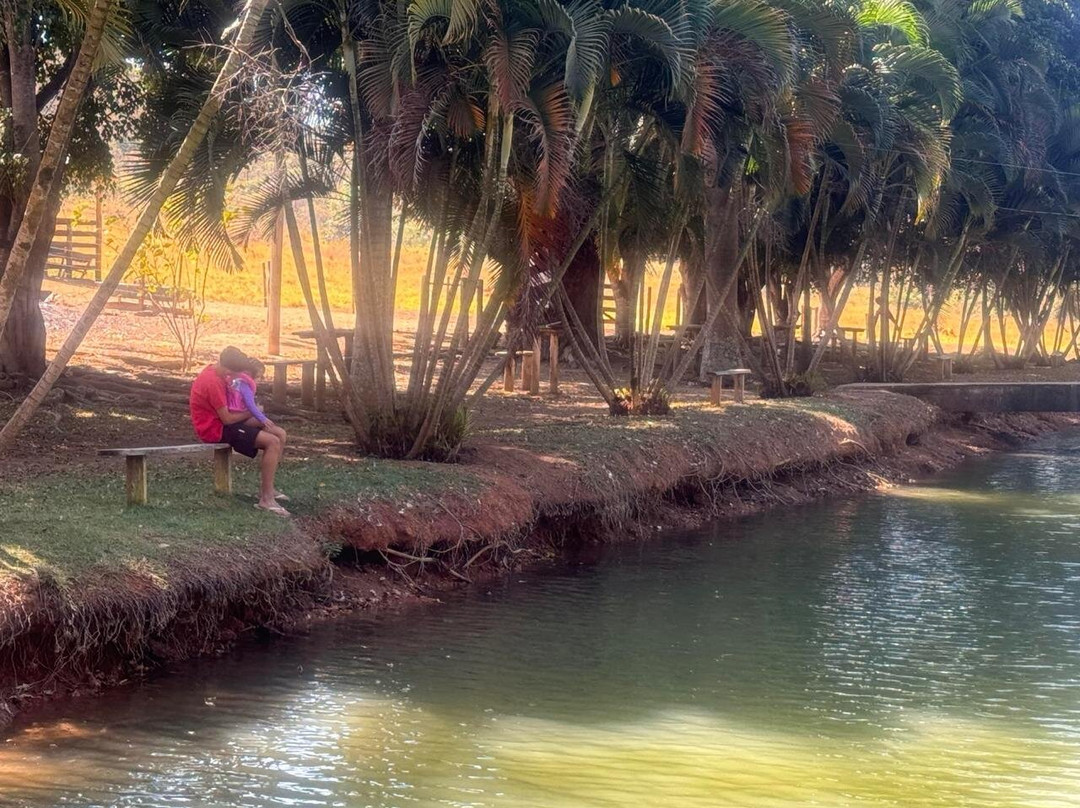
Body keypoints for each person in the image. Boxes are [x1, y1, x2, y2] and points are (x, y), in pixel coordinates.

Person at [189, 347, 290, 517]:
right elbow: (227, 419)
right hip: (216, 429)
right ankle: (266, 500)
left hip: (225, 421)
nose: (239, 378)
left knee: (279, 433)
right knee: (272, 442)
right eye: (238, 374)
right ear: (229, 370)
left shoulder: (218, 372)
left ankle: (269, 488)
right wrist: (252, 411)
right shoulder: (212, 382)